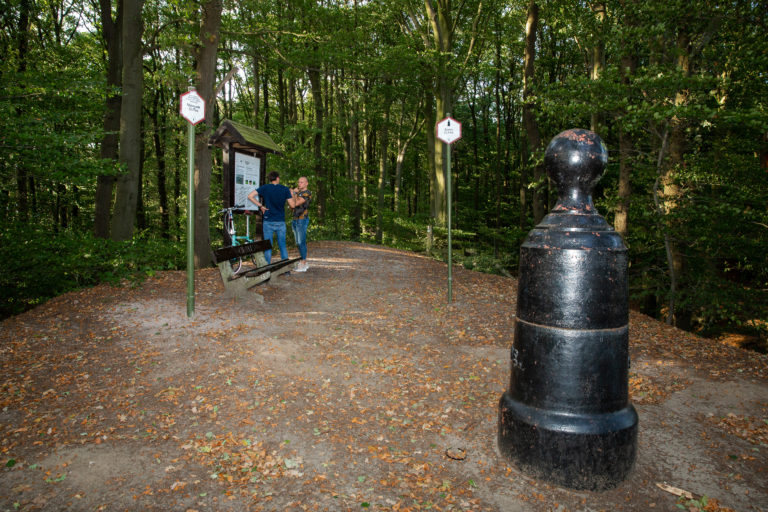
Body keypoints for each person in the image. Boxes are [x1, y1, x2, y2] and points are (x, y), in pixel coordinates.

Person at [247, 171, 297, 264]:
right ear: (277, 178)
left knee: (268, 247)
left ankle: (267, 268)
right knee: (282, 246)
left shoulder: (265, 188)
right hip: (280, 221)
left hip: (268, 220)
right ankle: (285, 268)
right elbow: (293, 205)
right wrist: (293, 193)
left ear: (270, 179)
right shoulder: (285, 189)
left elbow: (250, 196)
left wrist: (261, 206)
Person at [290, 177, 311, 272]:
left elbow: (296, 203)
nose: (299, 184)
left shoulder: (307, 193)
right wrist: (293, 194)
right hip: (295, 219)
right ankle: (303, 261)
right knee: (297, 242)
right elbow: (291, 206)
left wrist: (294, 194)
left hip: (302, 219)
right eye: (299, 182)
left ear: (306, 183)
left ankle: (303, 262)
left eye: (302, 182)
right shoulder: (298, 193)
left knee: (301, 242)